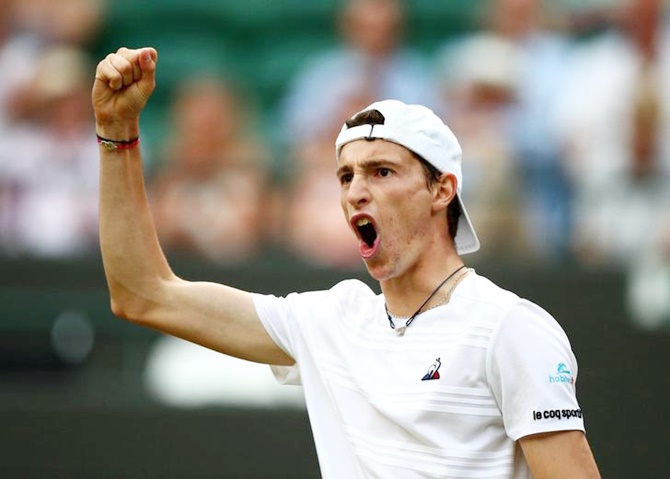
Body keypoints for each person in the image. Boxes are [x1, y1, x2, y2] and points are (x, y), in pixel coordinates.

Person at [92, 47, 601, 478]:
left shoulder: (510, 328)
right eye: (345, 176)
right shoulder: (329, 321)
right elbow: (143, 293)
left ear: (442, 189)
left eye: (381, 172)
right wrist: (117, 134)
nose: (356, 191)